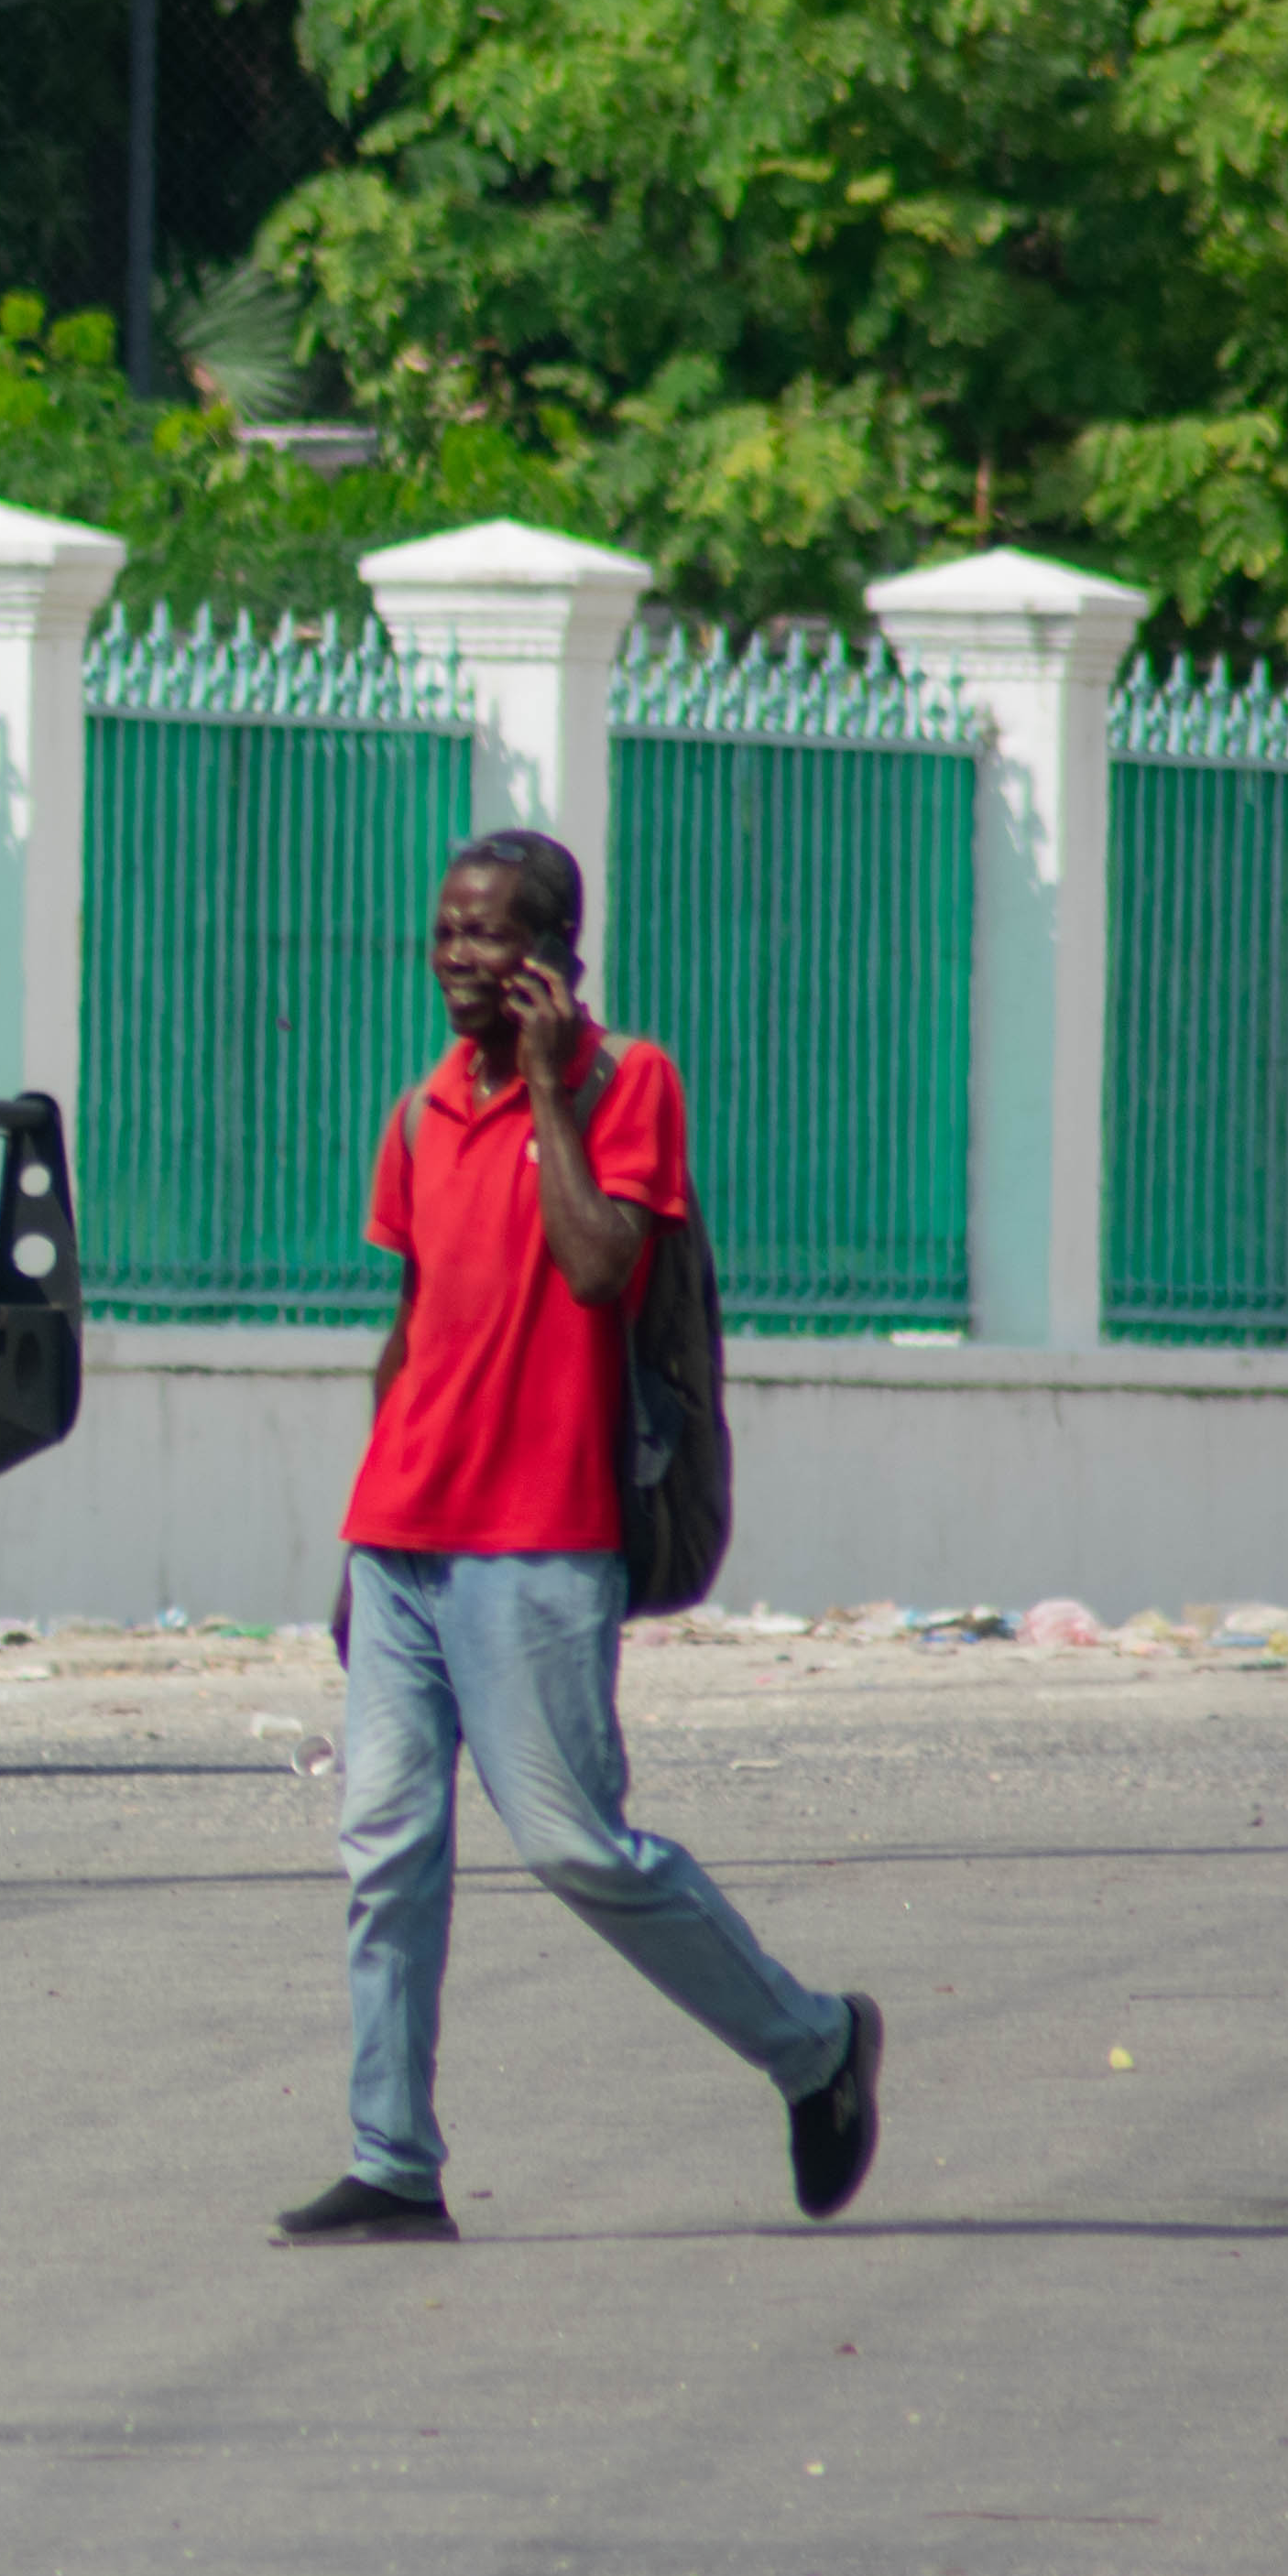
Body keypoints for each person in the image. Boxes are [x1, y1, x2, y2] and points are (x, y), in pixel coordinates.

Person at [274, 830, 882, 2246]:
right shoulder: (419, 1113)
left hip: (544, 1541)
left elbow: (602, 1263)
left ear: (556, 956)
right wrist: (355, 1539)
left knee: (575, 1845)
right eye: (445, 935)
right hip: (405, 1534)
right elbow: (412, 1332)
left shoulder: (629, 1083)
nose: (460, 961)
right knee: (383, 1850)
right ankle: (392, 2158)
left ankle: (816, 2048)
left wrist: (549, 1090)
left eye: (488, 936)